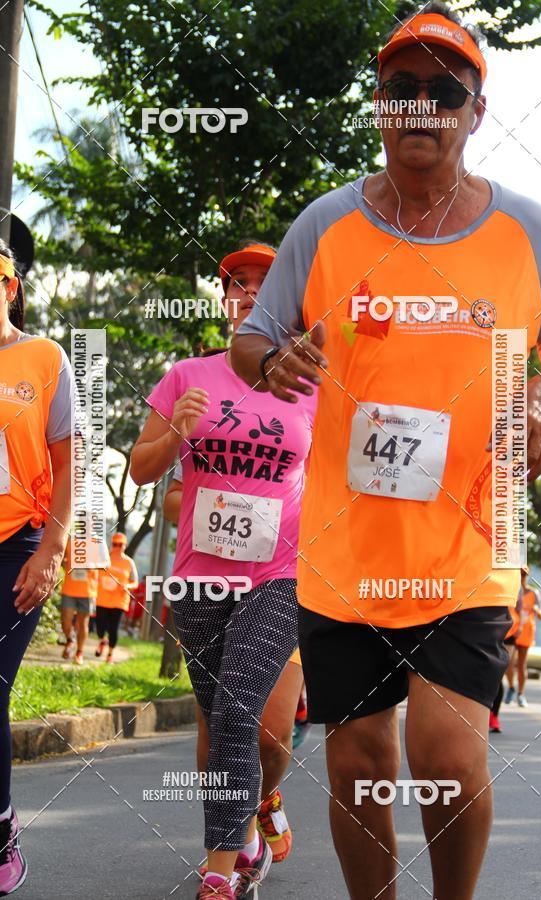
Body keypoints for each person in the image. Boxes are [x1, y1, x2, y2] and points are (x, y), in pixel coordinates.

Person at [229, 4, 541, 898]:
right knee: (357, 766)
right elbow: (253, 340)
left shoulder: (528, 233)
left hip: (473, 538)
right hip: (348, 550)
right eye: (402, 89)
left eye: (445, 90)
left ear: (476, 109)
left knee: (447, 755)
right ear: (380, 105)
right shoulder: (328, 226)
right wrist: (276, 361)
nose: (421, 105)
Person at [131, 240, 316, 899]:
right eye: (237, 284)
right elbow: (142, 469)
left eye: (265, 285)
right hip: (201, 575)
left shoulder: (316, 388)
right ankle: (248, 826)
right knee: (219, 720)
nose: (248, 295)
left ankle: (221, 873)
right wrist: (175, 435)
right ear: (223, 299)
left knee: (253, 719)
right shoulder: (186, 374)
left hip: (281, 573)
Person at [164, 447, 305, 869]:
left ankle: (260, 798)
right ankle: (235, 846)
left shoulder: (311, 411)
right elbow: (172, 498)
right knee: (220, 722)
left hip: (282, 584)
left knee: (273, 735)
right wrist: (232, 503)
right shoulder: (208, 410)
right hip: (211, 583)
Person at [0, 240, 73, 895]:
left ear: (11, 285)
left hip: (20, 546)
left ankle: (0, 833)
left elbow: (69, 463)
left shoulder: (44, 358)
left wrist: (52, 549)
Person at [95, 532, 139, 663]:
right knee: (100, 626)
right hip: (101, 598)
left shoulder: (129, 562)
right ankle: (102, 640)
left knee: (113, 628)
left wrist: (127, 586)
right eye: (115, 544)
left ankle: (110, 654)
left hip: (119, 600)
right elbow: (94, 574)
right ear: (111, 544)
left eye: (120, 545)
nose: (117, 547)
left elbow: (135, 582)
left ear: (124, 546)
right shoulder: (104, 558)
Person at [506, 567, 541, 708]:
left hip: (527, 632)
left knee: (522, 665)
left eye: (524, 574)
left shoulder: (533, 593)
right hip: (513, 631)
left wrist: (535, 610)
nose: (522, 576)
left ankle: (521, 694)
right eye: (520, 573)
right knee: (509, 663)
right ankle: (510, 687)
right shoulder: (512, 591)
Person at [60, 537, 99, 664]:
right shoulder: (70, 541)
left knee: (83, 623)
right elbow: (61, 557)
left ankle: (79, 653)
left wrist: (91, 565)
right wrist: (65, 563)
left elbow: (105, 563)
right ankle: (70, 639)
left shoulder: (97, 542)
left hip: (87, 591)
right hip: (69, 589)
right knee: (65, 620)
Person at [489, 589, 523, 733]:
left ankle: (494, 716)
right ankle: (486, 711)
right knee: (488, 674)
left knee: (498, 674)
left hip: (508, 633)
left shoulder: (516, 586)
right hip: (489, 629)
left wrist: (519, 628)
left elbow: (521, 611)